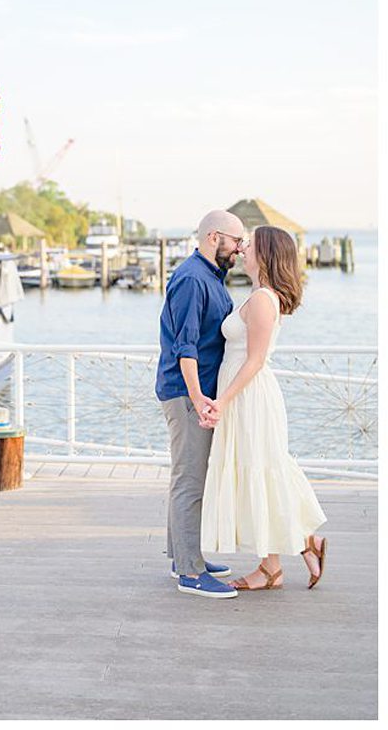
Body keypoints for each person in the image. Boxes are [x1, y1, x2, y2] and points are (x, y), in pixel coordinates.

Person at [200, 223, 329, 592]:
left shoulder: (261, 299)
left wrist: (221, 401)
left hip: (248, 396)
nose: (241, 249)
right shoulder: (258, 294)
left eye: (249, 245)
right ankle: (296, 548)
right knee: (262, 471)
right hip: (245, 394)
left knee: (259, 471)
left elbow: (254, 360)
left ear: (266, 254)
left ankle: (277, 562)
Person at [156, 206, 247, 597]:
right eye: (236, 241)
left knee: (186, 476)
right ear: (214, 238)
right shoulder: (193, 279)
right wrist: (199, 398)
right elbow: (185, 346)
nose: (240, 249)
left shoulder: (210, 276)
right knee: (191, 481)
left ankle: (184, 556)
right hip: (187, 392)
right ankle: (191, 574)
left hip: (194, 391)